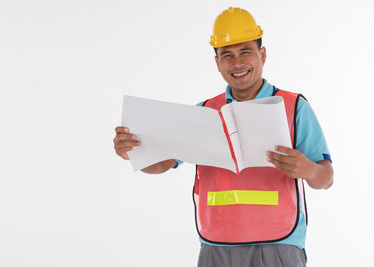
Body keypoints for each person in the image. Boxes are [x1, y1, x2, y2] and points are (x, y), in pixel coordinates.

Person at [113, 7, 333, 267]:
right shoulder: (204, 112)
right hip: (215, 246)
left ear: (262, 54)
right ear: (217, 62)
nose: (237, 63)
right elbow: (163, 162)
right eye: (227, 55)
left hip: (277, 246)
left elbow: (326, 178)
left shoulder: (294, 107)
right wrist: (132, 152)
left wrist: (307, 168)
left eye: (246, 52)